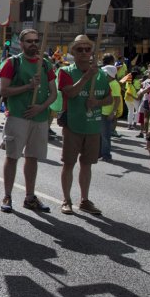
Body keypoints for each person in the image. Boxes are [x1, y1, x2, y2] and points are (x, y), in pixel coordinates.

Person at [0, 29, 57, 213]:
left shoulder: (46, 65)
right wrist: (28, 86)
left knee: (32, 158)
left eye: (36, 40)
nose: (33, 44)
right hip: (17, 116)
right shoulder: (13, 63)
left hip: (39, 118)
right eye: (29, 41)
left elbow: (53, 93)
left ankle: (30, 197)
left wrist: (41, 107)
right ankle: (7, 195)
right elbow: (4, 91)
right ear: (22, 44)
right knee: (12, 156)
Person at [57, 34, 113, 215]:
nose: (83, 52)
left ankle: (85, 199)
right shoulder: (66, 72)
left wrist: (97, 103)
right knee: (68, 163)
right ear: (73, 52)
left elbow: (109, 98)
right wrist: (86, 78)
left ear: (92, 52)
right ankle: (66, 199)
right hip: (73, 124)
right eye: (79, 49)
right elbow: (70, 93)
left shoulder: (102, 74)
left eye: (87, 49)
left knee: (87, 164)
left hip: (92, 126)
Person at [99, 65, 122, 162]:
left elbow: (117, 100)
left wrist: (113, 112)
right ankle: (100, 153)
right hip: (101, 111)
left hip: (107, 113)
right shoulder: (105, 83)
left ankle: (106, 154)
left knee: (105, 135)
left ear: (110, 75)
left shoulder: (114, 84)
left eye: (105, 73)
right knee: (100, 134)